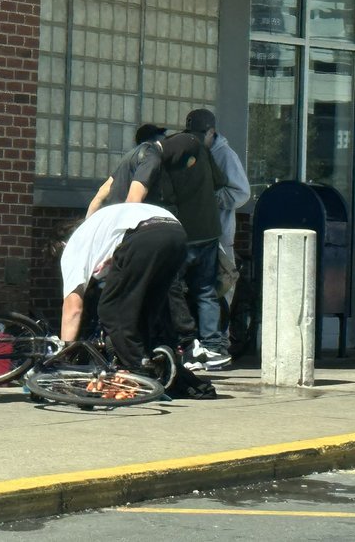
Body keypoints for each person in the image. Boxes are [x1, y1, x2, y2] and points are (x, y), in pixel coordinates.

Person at [57, 202, 188, 378]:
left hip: (146, 234)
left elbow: (73, 309)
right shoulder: (97, 230)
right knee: (145, 310)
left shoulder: (72, 251)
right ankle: (159, 364)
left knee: (111, 309)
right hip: (176, 233)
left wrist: (65, 354)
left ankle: (138, 367)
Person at [153, 123, 231, 371]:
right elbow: (221, 181)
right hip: (208, 232)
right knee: (206, 290)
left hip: (183, 232)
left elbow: (164, 192)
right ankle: (213, 347)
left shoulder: (166, 152)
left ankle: (184, 344)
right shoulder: (202, 150)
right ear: (208, 132)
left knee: (172, 288)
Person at [185, 109, 251, 353]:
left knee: (220, 288)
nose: (197, 138)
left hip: (220, 235)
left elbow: (241, 192)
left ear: (212, 132)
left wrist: (210, 198)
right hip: (198, 234)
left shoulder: (224, 155)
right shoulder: (195, 151)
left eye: (201, 134)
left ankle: (219, 341)